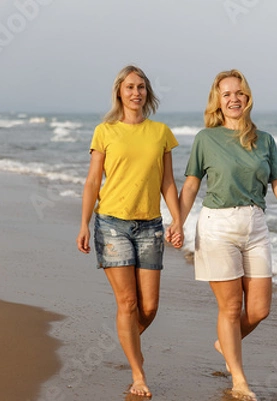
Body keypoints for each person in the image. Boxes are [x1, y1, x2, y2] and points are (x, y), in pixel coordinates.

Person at [178, 69, 277, 400]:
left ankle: (224, 341)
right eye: (226, 94)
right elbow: (192, 183)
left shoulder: (264, 140)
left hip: (256, 224)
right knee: (229, 308)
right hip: (217, 226)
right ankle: (239, 380)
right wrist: (177, 222)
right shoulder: (205, 139)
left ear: (247, 97)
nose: (233, 98)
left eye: (238, 92)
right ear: (217, 101)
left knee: (259, 309)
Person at [76, 65, 183, 397]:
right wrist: (83, 223)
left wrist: (177, 219)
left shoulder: (160, 132)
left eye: (141, 87)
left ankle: (128, 343)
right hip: (110, 224)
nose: (136, 93)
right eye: (129, 87)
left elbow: (167, 181)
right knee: (127, 302)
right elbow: (94, 180)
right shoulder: (105, 131)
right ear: (119, 92)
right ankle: (138, 373)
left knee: (148, 307)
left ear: (147, 93)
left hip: (150, 225)